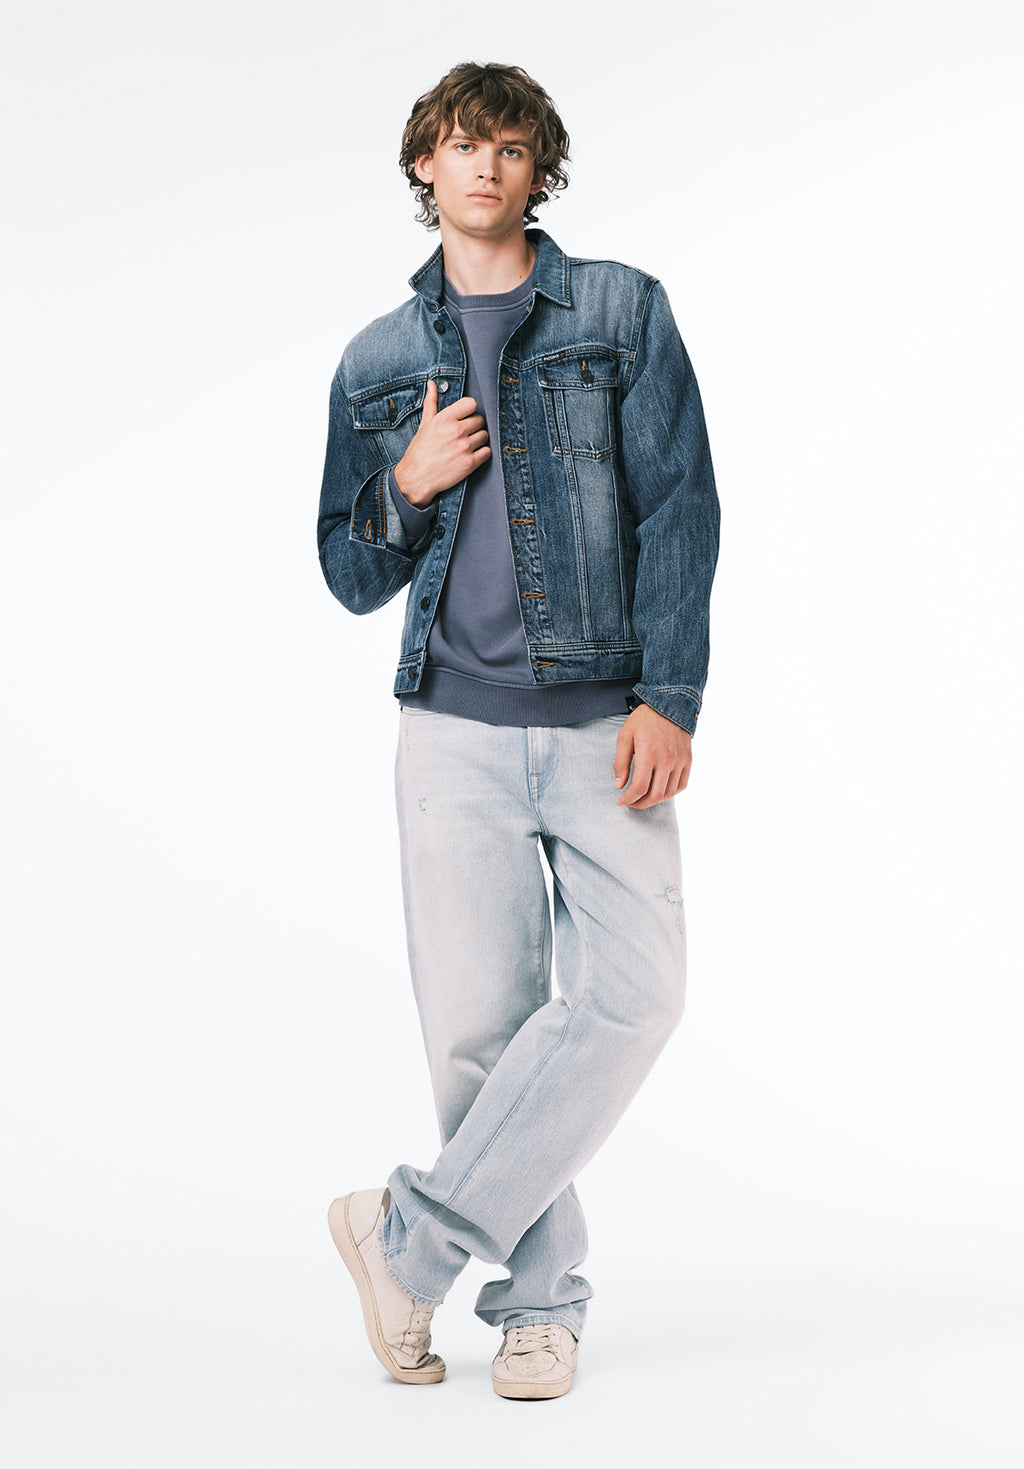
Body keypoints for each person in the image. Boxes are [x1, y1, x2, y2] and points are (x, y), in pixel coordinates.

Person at [316, 60, 720, 1400]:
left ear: (538, 168)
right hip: (452, 733)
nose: (483, 166)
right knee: (480, 1041)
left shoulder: (620, 310)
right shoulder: (378, 359)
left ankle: (405, 1242)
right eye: (459, 144)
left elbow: (681, 505)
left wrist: (670, 695)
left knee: (638, 994)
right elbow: (348, 570)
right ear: (422, 164)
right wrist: (405, 483)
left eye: (508, 146)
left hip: (607, 720)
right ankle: (540, 1302)